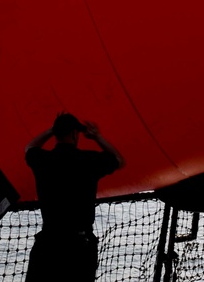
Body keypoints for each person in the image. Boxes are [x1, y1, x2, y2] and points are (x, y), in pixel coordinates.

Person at [25, 113, 125, 282]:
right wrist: (97, 137)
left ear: (56, 134)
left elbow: (29, 148)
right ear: (74, 134)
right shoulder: (89, 160)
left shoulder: (43, 160)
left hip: (48, 244)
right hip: (80, 248)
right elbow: (119, 160)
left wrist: (51, 130)